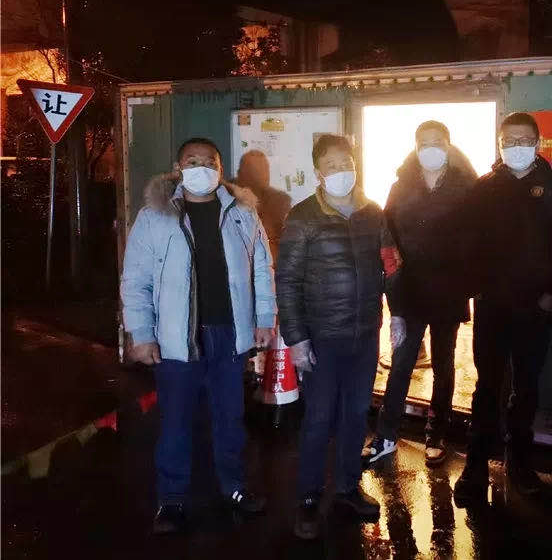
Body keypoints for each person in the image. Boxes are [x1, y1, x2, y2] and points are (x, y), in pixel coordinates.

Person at [121, 137, 276, 534]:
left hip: (229, 336)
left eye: (210, 162)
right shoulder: (154, 216)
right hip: (176, 339)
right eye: (192, 161)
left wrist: (264, 318)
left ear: (221, 171)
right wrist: (142, 333)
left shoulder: (242, 213)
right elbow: (135, 279)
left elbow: (262, 269)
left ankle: (234, 488)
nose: (201, 168)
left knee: (230, 419)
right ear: (178, 169)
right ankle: (172, 499)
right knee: (176, 422)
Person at [276, 134, 404, 540]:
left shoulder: (373, 213)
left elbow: (391, 265)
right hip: (322, 338)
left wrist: (397, 313)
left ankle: (347, 488)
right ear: (318, 172)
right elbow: (288, 280)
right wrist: (296, 338)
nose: (340, 171)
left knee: (355, 415)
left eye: (345, 163)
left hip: (364, 334)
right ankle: (308, 498)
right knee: (318, 418)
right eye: (331, 165)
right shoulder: (303, 217)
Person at [453, 112, 552, 502]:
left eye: (524, 140)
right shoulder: (484, 187)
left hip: (536, 306)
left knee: (526, 387)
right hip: (492, 305)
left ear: (538, 144)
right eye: (509, 140)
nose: (516, 147)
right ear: (500, 144)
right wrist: (475, 288)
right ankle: (476, 464)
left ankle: (520, 464)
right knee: (487, 385)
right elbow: (467, 244)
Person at [362, 120, 477, 467]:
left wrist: (469, 277)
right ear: (415, 147)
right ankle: (386, 435)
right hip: (410, 291)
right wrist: (391, 281)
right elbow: (387, 233)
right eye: (423, 142)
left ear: (448, 144)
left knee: (444, 364)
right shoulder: (402, 185)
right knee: (401, 364)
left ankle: (436, 434)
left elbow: (479, 236)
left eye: (437, 141)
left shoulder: (466, 185)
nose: (430, 148)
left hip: (448, 291)